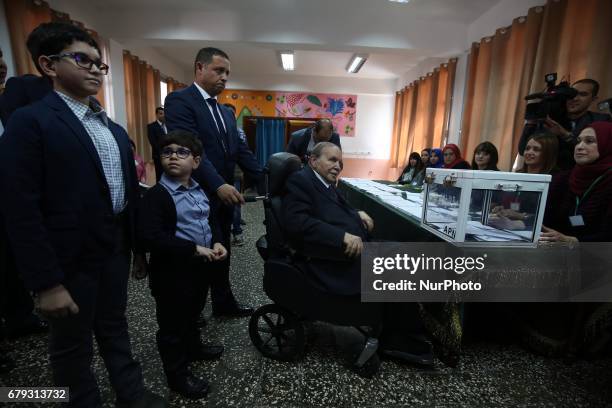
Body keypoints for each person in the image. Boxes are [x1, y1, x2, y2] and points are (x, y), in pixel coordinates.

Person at [0, 25, 165, 407]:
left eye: (99, 64)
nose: (94, 69)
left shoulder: (111, 127)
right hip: (67, 258)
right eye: (82, 60)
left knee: (115, 326)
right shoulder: (31, 123)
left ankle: (131, 393)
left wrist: (138, 249)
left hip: (114, 248)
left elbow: (128, 195)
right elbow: (20, 208)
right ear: (48, 64)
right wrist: (46, 283)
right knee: (71, 345)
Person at [282, 142, 442, 367]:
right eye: (332, 160)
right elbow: (297, 222)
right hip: (330, 260)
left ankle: (402, 332)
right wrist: (340, 237)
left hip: (353, 251)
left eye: (340, 162)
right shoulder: (300, 181)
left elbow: (336, 207)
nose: (338, 166)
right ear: (313, 160)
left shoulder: (324, 183)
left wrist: (356, 212)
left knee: (405, 254)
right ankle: (400, 340)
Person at [165, 47, 262, 318]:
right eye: (218, 70)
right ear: (199, 68)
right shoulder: (180, 101)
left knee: (223, 252)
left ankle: (223, 303)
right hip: (195, 195)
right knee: (198, 256)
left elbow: (241, 152)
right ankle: (191, 316)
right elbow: (192, 150)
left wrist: (265, 177)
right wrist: (219, 184)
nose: (224, 77)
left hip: (223, 196)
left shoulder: (226, 113)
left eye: (227, 73)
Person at [139, 130, 227, 399]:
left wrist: (218, 242)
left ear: (196, 162)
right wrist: (193, 248)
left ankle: (194, 348)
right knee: (172, 325)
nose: (173, 157)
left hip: (199, 268)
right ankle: (177, 375)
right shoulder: (158, 195)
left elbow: (209, 220)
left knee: (193, 314)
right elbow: (153, 237)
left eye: (182, 152)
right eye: (167, 152)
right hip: (171, 273)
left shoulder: (199, 190)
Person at [521, 122, 612, 357]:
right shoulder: (568, 177)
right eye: (579, 140)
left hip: (596, 251)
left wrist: (573, 241)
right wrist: (523, 218)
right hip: (561, 243)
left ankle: (557, 339)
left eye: (590, 142)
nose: (580, 146)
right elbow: (551, 216)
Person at [518, 78, 611, 170]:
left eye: (583, 94)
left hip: (580, 174)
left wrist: (565, 134)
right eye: (571, 94)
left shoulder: (600, 120)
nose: (574, 98)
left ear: (593, 99)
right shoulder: (550, 117)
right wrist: (531, 123)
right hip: (547, 174)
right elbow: (523, 150)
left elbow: (598, 153)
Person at [223, 103, 246, 246]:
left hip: (235, 173)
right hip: (218, 174)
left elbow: (244, 154)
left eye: (232, 114)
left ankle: (237, 233)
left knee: (235, 203)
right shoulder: (214, 130)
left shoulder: (239, 132)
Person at [147, 106, 167, 182]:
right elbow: (153, 142)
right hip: (159, 155)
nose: (163, 115)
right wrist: (162, 152)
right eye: (161, 114)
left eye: (164, 114)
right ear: (157, 115)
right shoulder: (151, 127)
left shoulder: (168, 126)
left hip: (170, 154)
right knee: (160, 175)